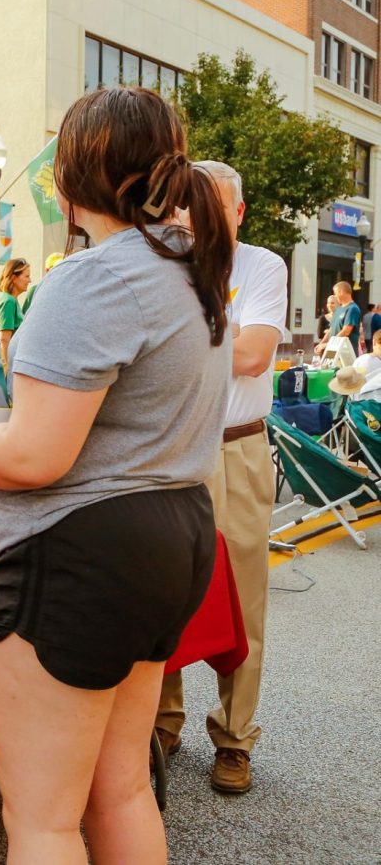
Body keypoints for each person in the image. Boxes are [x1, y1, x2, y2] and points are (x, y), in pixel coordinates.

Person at [0, 86, 231, 862]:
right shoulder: (189, 268)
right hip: (173, 531)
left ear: (70, 178)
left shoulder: (91, 278)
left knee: (43, 817)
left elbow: (36, 455)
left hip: (81, 552)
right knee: (121, 788)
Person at [151, 160, 286, 794]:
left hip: (236, 447)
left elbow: (255, 354)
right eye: (188, 204)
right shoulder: (166, 264)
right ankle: (162, 719)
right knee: (165, 590)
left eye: (214, 205)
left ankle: (234, 738)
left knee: (244, 596)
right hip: (173, 447)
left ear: (238, 213)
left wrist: (174, 341)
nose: (196, 216)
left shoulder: (261, 266)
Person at [0, 258, 32, 372]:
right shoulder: (8, 301)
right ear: (14, 278)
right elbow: (4, 339)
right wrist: (7, 370)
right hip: (10, 367)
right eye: (27, 276)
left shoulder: (12, 300)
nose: (30, 280)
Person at [318, 281, 361, 357]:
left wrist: (328, 344)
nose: (335, 296)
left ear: (341, 292)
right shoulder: (338, 310)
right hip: (334, 350)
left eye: (335, 293)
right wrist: (321, 344)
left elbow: (346, 331)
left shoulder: (352, 309)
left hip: (346, 353)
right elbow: (331, 330)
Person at [21, 251, 62, 316]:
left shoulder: (67, 292)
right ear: (47, 270)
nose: (62, 271)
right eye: (58, 268)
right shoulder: (35, 291)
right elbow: (25, 317)